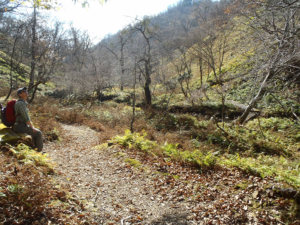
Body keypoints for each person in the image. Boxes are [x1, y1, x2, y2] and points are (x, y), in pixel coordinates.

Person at [13, 87, 44, 152]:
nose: (26, 92)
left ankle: (35, 149)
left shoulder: (22, 102)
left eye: (26, 90)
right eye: (23, 91)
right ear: (20, 94)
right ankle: (38, 152)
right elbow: (26, 117)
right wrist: (32, 127)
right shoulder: (21, 103)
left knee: (36, 133)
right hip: (20, 126)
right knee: (38, 133)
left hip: (20, 125)